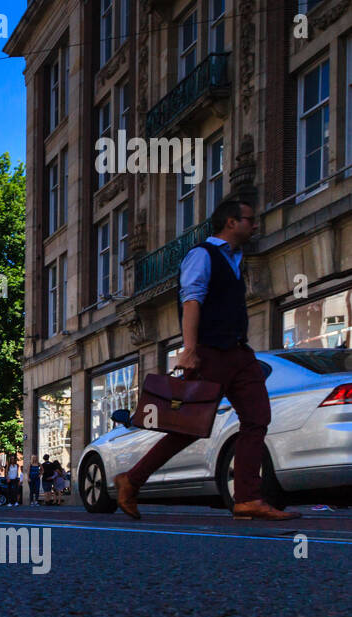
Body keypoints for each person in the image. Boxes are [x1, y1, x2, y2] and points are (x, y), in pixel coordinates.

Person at [115, 197, 299, 521]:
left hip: (239, 353)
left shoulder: (236, 259)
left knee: (257, 418)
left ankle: (247, 498)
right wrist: (189, 349)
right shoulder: (202, 255)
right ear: (231, 222)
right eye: (249, 219)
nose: (254, 225)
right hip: (209, 354)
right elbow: (192, 301)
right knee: (189, 427)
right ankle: (131, 480)